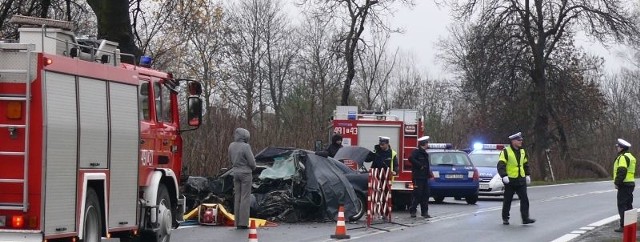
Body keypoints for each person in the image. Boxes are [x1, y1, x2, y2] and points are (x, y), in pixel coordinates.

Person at [497, 132, 535, 225]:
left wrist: (527, 175)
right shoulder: (506, 151)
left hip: (521, 179)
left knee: (524, 199)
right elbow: (500, 165)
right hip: (510, 180)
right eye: (519, 140)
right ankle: (505, 218)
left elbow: (525, 164)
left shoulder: (523, 151)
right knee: (507, 200)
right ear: (513, 141)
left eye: (521, 140)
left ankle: (525, 218)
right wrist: (504, 176)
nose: (521, 141)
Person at [228, 128, 256, 229]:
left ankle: (237, 222)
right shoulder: (246, 147)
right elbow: (252, 162)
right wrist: (253, 168)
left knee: (237, 197)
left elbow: (230, 159)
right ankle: (243, 223)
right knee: (245, 198)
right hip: (246, 174)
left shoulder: (231, 145)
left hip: (235, 173)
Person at [613, 138, 636, 232]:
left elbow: (622, 171)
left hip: (624, 184)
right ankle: (630, 226)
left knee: (622, 205)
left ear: (621, 148)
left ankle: (623, 226)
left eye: (618, 146)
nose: (617, 148)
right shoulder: (631, 157)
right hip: (630, 183)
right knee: (628, 205)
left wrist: (617, 183)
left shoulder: (622, 157)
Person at [409, 136, 432, 218]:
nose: (428, 144)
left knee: (426, 195)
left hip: (425, 177)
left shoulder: (425, 153)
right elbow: (410, 158)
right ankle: (413, 210)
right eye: (427, 143)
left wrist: (429, 173)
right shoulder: (416, 152)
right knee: (417, 194)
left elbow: (427, 165)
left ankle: (424, 212)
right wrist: (420, 165)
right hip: (417, 177)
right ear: (424, 143)